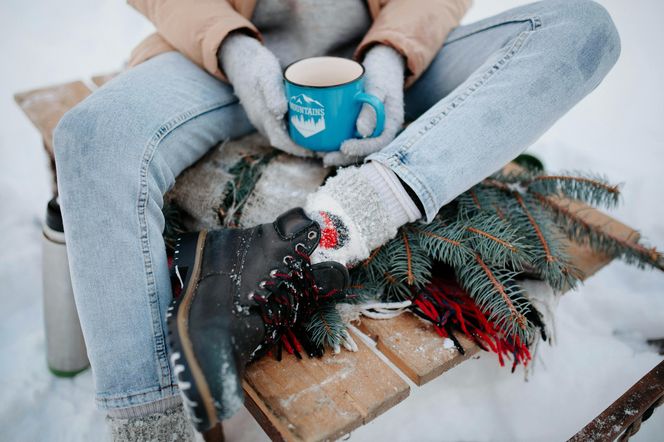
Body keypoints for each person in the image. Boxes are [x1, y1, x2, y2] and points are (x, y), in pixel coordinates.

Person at [53, 0, 621, 439]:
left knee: (582, 28)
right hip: (221, 65)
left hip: (372, 62)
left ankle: (328, 231)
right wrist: (232, 49)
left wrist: (392, 54)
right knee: (91, 137)